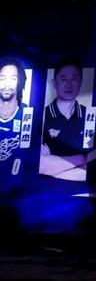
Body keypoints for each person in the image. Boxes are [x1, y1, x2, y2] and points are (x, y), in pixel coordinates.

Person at [40, 59, 94, 180]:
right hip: (45, 188)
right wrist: (82, 159)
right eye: (63, 79)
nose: (69, 84)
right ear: (54, 83)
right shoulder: (41, 116)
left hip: (82, 189)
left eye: (74, 79)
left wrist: (53, 164)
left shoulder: (89, 116)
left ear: (81, 82)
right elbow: (40, 165)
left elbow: (93, 166)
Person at [0, 57, 33, 187]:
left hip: (18, 192)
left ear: (20, 82)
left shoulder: (28, 115)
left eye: (13, 79)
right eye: (2, 79)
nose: (7, 85)